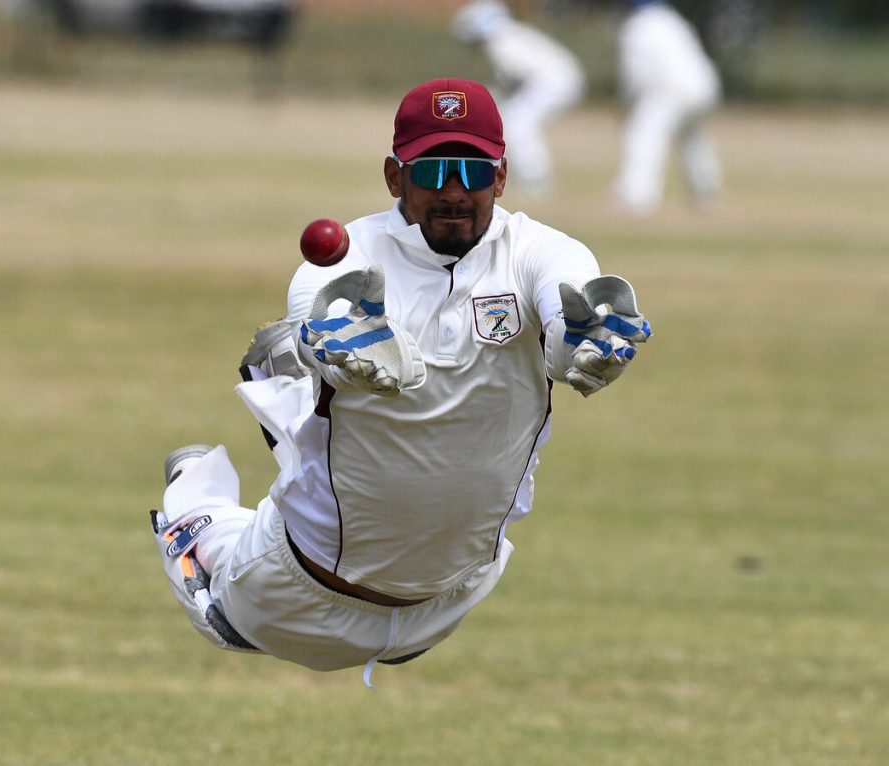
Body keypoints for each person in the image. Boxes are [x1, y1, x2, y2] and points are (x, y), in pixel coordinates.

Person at [151, 78, 652, 685]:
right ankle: (194, 501)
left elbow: (567, 290)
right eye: (433, 171)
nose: (453, 191)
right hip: (295, 592)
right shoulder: (346, 254)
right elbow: (324, 298)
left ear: (501, 177)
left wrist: (582, 334)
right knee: (223, 617)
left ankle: (285, 385)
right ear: (395, 177)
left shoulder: (539, 250)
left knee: (303, 384)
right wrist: (337, 341)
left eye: (472, 172)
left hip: (449, 596)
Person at [452, 1, 585, 197]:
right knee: (514, 120)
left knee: (518, 123)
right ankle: (526, 176)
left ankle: (536, 179)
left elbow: (511, 80)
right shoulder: (512, 34)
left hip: (553, 83)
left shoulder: (500, 43)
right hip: (559, 80)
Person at [612, 0, 723, 215]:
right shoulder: (671, 19)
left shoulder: (637, 26)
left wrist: (627, 105)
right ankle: (706, 189)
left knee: (644, 135)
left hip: (671, 90)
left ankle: (637, 196)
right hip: (704, 86)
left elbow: (634, 74)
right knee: (693, 138)